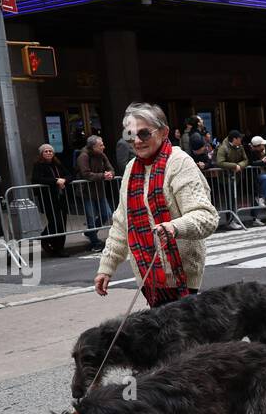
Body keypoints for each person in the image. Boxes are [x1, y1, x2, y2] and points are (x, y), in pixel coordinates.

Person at [93, 102, 218, 307]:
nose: (136, 141)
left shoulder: (179, 163)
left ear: (163, 132)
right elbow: (121, 223)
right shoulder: (131, 168)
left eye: (144, 134)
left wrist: (174, 226)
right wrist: (106, 267)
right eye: (130, 135)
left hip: (182, 277)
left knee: (183, 337)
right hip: (147, 276)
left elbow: (206, 216)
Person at [75, 135, 115, 252]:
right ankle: (94, 242)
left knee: (106, 214)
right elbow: (86, 174)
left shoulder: (101, 155)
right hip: (87, 192)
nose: (104, 147)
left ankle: (89, 233)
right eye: (101, 145)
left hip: (100, 190)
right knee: (91, 217)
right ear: (93, 147)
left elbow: (110, 168)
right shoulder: (83, 156)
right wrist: (103, 175)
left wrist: (110, 174)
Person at [31, 143, 70, 256]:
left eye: (50, 151)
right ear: (41, 154)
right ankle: (45, 238)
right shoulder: (38, 165)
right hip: (48, 198)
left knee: (62, 223)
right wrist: (55, 181)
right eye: (46, 151)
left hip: (61, 197)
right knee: (55, 222)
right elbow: (36, 179)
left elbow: (69, 175)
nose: (48, 153)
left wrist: (64, 180)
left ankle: (60, 248)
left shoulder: (57, 164)